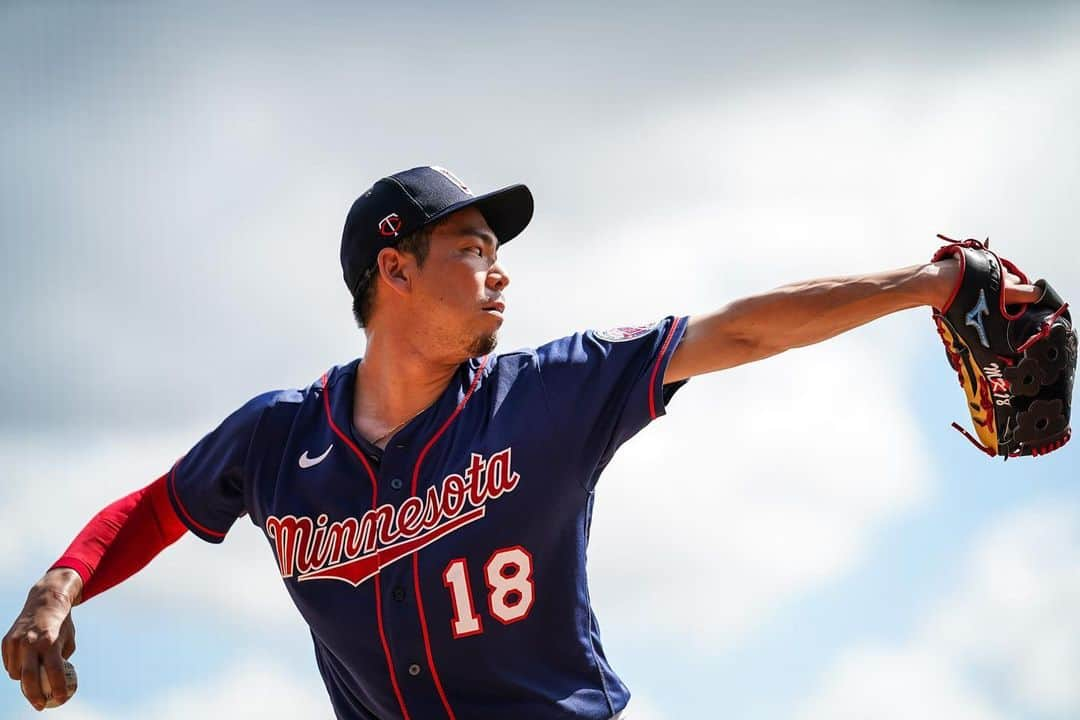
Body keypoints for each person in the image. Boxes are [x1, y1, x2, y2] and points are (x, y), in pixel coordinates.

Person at [3, 166, 1042, 719]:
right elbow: (161, 505)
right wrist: (61, 584)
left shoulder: (554, 389)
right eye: (471, 247)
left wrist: (929, 283)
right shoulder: (281, 438)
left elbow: (741, 327)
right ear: (394, 273)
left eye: (498, 251)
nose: (499, 270)